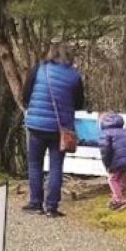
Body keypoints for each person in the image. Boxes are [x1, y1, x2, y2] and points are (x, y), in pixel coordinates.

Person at [21, 43, 85, 218]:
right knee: (56, 166)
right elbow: (79, 103)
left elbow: (25, 94)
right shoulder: (74, 76)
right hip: (60, 129)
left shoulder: (39, 69)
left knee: (35, 165)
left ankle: (35, 203)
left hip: (36, 126)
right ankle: (51, 207)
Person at [98, 111, 126, 211]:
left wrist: (107, 165)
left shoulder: (105, 133)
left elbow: (105, 151)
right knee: (119, 179)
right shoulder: (124, 131)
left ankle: (119, 200)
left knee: (111, 180)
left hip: (116, 161)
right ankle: (116, 198)